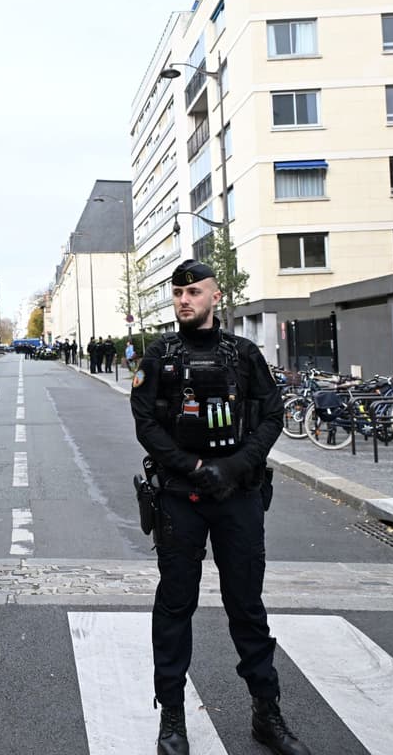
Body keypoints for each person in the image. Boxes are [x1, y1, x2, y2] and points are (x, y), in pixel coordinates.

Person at [129, 260, 309, 755]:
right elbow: (145, 422)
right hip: (179, 499)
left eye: (193, 291)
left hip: (238, 498)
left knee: (247, 607)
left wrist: (234, 467)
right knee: (174, 605)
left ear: (215, 296)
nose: (183, 299)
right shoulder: (160, 355)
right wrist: (190, 465)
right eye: (177, 292)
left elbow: (272, 415)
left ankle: (265, 713)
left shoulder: (244, 353)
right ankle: (172, 719)